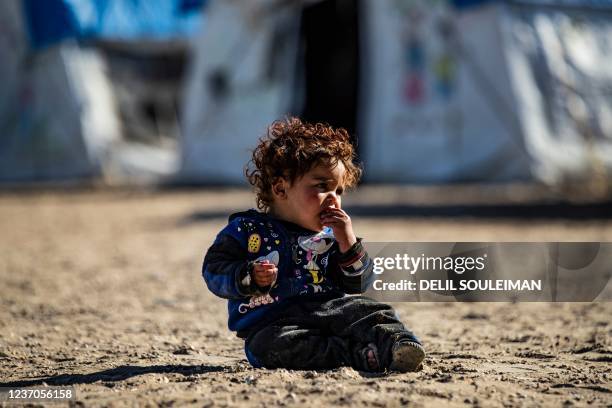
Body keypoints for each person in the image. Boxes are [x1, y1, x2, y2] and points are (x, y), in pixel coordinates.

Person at [202, 117, 424, 372]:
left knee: (372, 311)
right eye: (322, 186)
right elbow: (214, 269)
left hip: (331, 311)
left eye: (339, 191)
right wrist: (248, 276)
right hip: (274, 322)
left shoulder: (331, 237)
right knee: (267, 348)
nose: (334, 199)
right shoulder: (246, 230)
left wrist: (348, 242)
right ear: (280, 189)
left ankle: (398, 344)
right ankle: (357, 354)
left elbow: (359, 283)